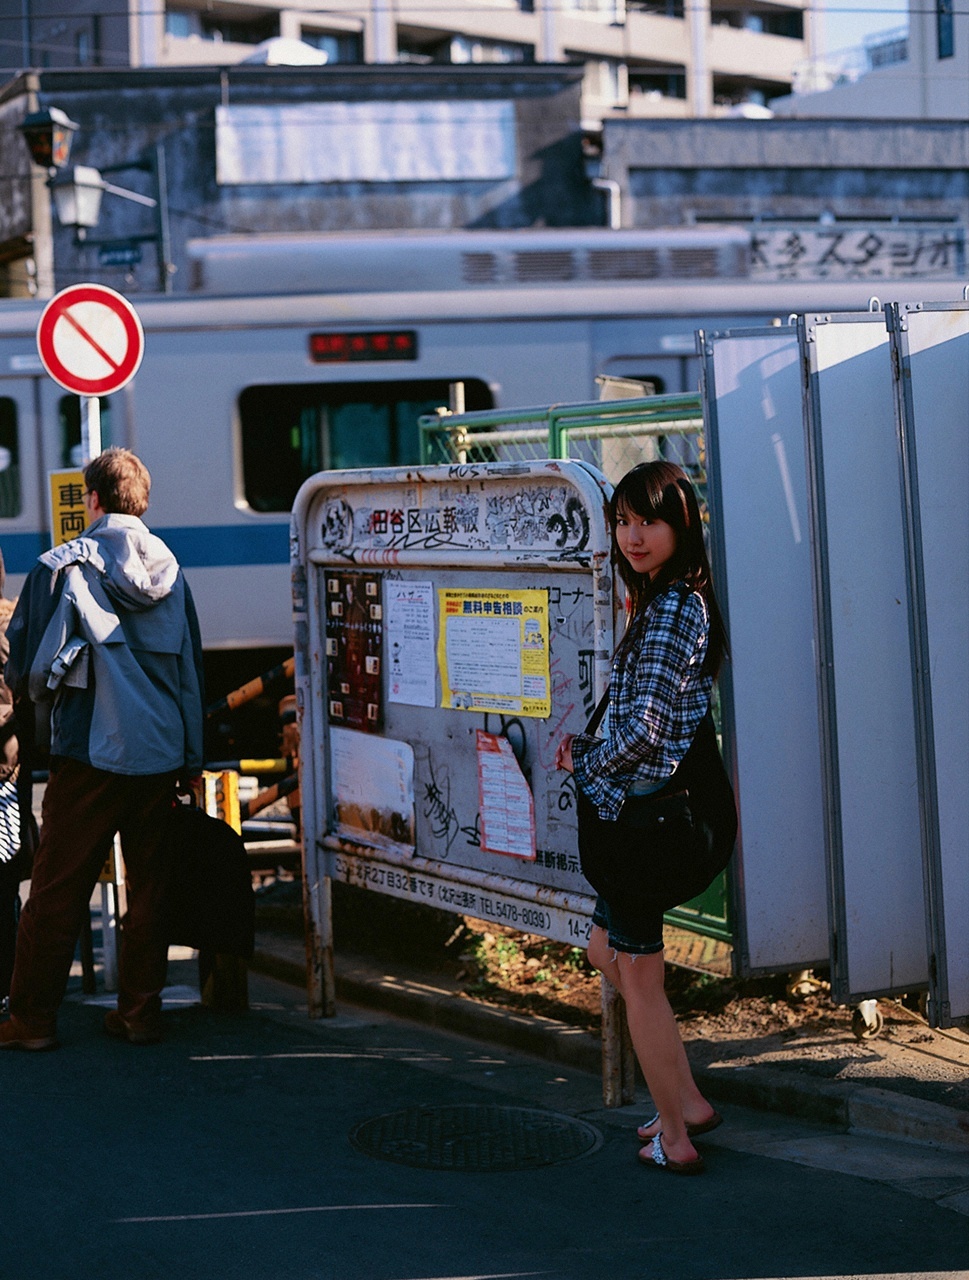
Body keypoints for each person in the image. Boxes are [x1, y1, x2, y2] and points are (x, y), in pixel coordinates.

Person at [555, 460, 736, 1176]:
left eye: (648, 521)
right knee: (607, 952)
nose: (633, 536)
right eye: (622, 521)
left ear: (680, 525)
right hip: (648, 819)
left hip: (654, 824)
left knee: (637, 976)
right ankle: (686, 1102)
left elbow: (650, 734)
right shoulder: (666, 597)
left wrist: (585, 762)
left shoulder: (673, 610)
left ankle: (674, 1133)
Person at [0, 448, 204, 1050]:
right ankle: (140, 1013)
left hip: (90, 752)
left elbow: (25, 667)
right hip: (161, 755)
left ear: (91, 499)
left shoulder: (61, 567)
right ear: (143, 502)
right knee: (150, 888)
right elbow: (191, 671)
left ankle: (32, 1021)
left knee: (57, 889)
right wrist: (191, 761)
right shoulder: (173, 572)